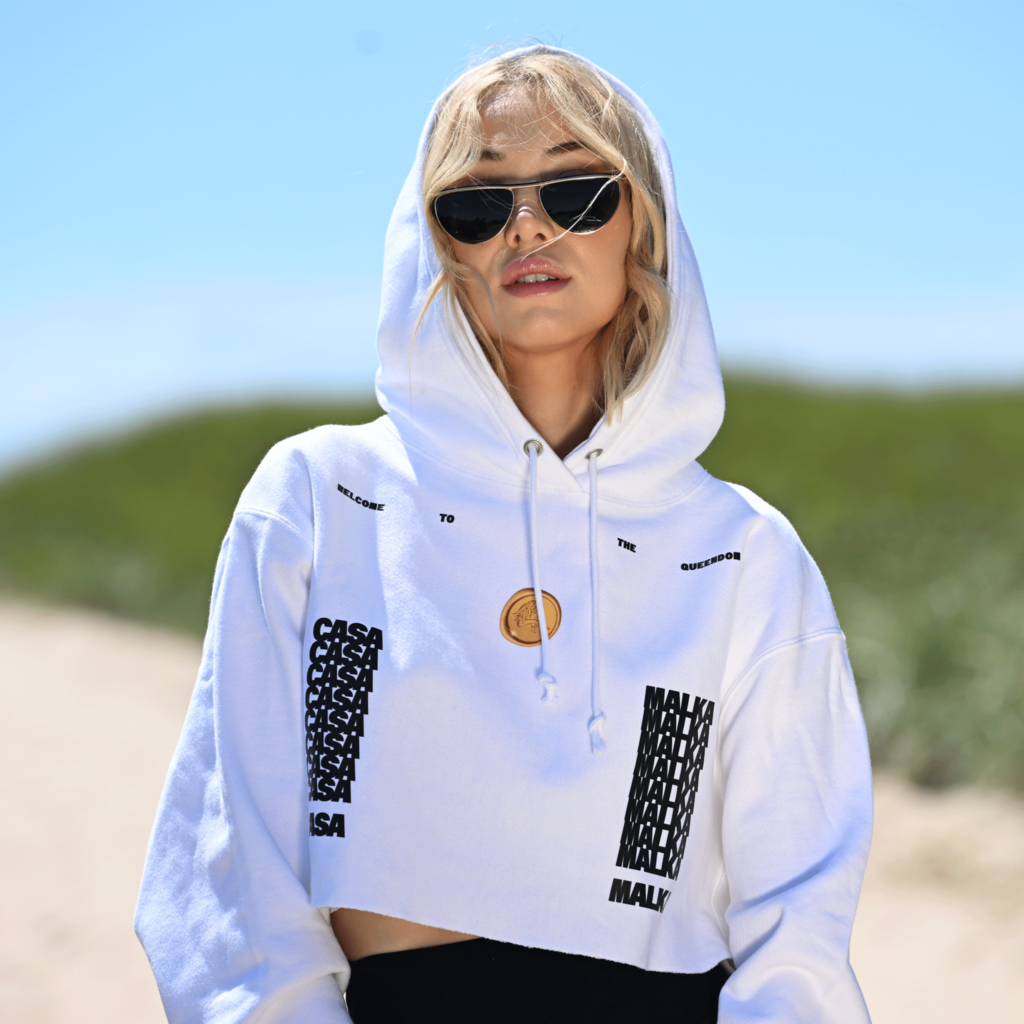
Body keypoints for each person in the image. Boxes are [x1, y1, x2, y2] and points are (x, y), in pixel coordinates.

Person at [136, 45, 873, 1024]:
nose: (526, 225)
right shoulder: (324, 498)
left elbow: (797, 935)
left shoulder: (740, 551)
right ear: (440, 246)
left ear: (639, 222)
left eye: (575, 190)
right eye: (478, 206)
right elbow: (233, 875)